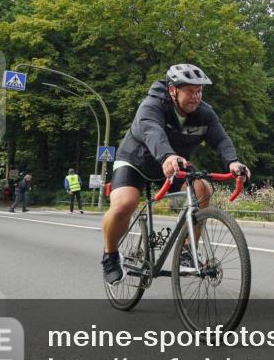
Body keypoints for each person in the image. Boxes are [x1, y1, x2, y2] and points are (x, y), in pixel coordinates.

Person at [100, 63, 249, 284]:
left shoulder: (204, 113)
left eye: (199, 91)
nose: (195, 97)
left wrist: (233, 162)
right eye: (189, 91)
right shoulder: (151, 106)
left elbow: (221, 138)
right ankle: (110, 256)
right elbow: (152, 131)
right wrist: (167, 155)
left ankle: (187, 251)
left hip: (174, 164)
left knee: (202, 190)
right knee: (124, 204)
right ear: (172, 90)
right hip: (136, 162)